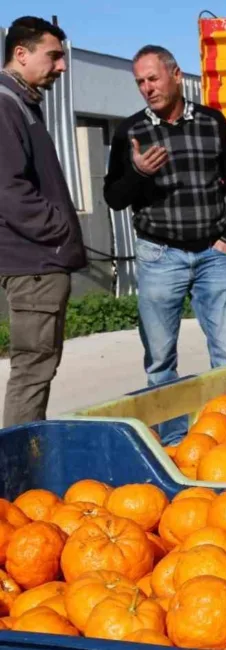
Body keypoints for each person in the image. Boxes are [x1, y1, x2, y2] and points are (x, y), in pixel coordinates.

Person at [104, 45, 226, 386]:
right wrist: (137, 173)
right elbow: (113, 198)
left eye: (153, 78)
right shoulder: (130, 132)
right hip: (159, 256)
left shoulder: (212, 122)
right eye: (140, 82)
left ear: (177, 75)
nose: (147, 88)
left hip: (213, 254)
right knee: (160, 361)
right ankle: (172, 437)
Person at [0, 17, 87, 426]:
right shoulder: (5, 103)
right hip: (34, 264)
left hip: (38, 262)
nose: (62, 66)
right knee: (32, 372)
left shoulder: (20, 102)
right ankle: (17, 477)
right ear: (21, 54)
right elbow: (9, 191)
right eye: (53, 56)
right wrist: (59, 230)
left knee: (38, 370)